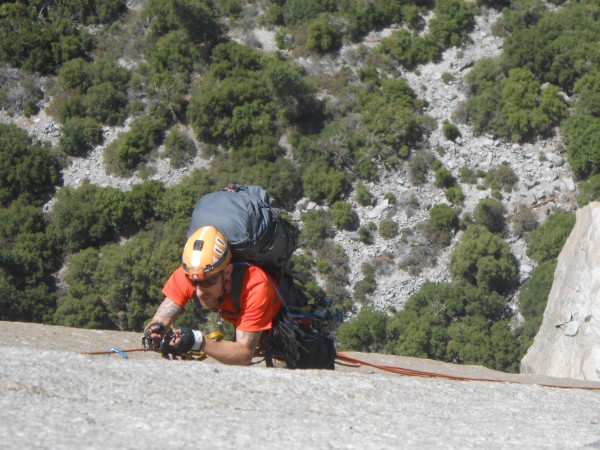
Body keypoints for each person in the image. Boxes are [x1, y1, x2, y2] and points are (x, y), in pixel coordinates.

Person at [143, 225, 335, 368]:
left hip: (280, 322)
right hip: (241, 315)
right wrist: (155, 334)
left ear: (227, 272)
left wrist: (197, 341)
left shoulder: (255, 284)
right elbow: (161, 319)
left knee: (311, 358)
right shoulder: (195, 273)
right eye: (194, 283)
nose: (200, 290)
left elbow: (244, 354)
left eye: (208, 282)